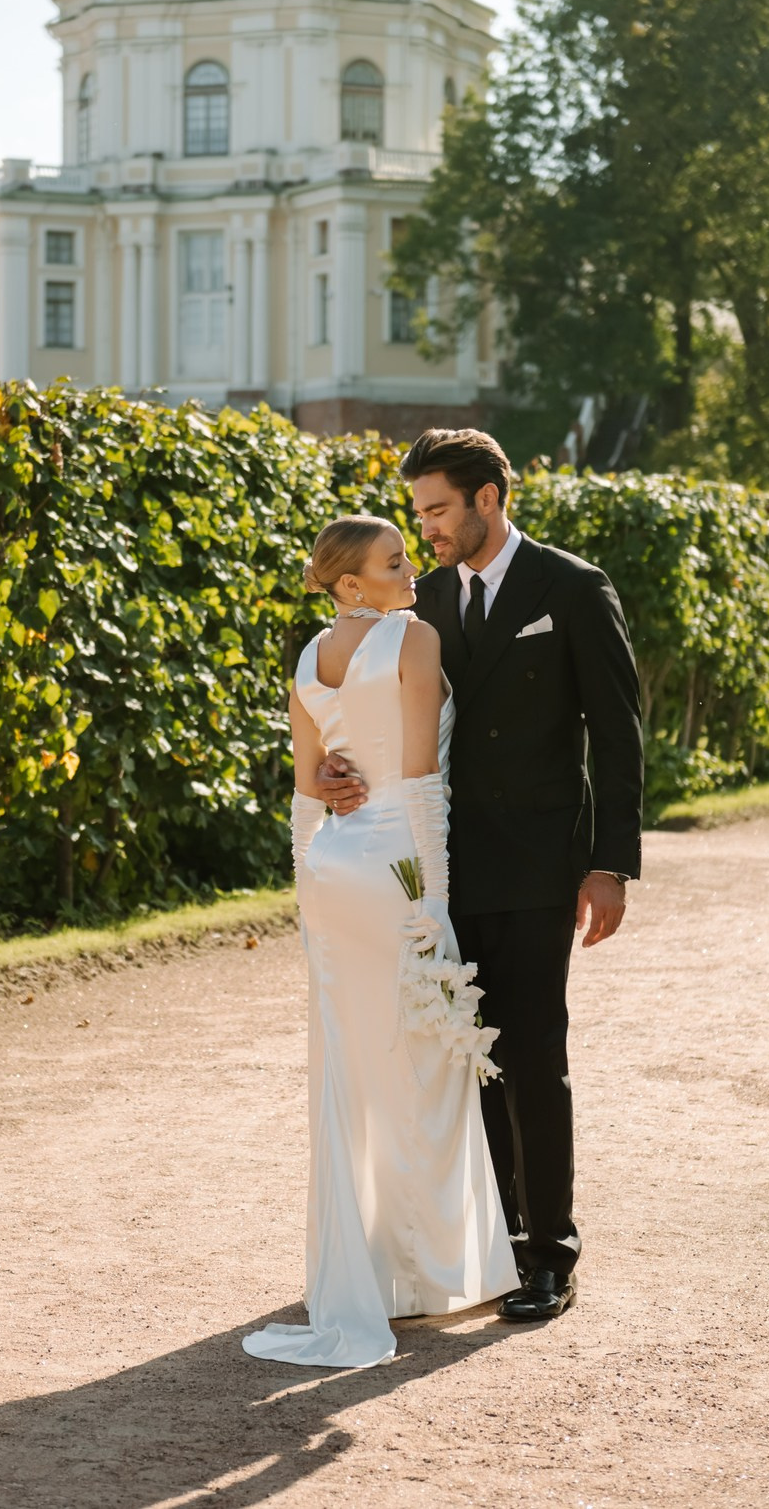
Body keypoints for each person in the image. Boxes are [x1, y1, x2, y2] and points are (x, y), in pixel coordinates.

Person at [316, 428, 643, 1323]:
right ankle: (489, 1243)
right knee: (466, 1055)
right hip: (439, 870)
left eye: (437, 510)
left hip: (542, 862)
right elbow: (366, 711)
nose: (424, 530)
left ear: (488, 498)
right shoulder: (419, 606)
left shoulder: (573, 589)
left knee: (533, 1050)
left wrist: (610, 864)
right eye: (417, 513)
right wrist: (335, 775)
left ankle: (549, 1254)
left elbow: (616, 734)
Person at [242, 515, 518, 1369]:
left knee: (350, 1068)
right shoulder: (414, 638)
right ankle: (427, 1276)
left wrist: (304, 894)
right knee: (423, 1063)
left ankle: (361, 1266)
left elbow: (303, 793)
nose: (411, 571)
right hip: (396, 866)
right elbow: (421, 783)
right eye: (393, 563)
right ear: (350, 585)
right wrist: (433, 901)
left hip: (333, 872)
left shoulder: (305, 657)